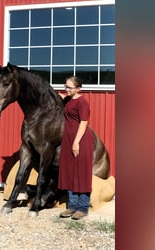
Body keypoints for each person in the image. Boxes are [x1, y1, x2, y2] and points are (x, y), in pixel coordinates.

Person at [58, 76, 93, 220]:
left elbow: (83, 122)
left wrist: (76, 142)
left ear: (78, 88)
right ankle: (72, 206)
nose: (66, 89)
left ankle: (83, 208)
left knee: (82, 173)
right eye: (65, 86)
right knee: (69, 172)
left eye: (70, 87)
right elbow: (59, 96)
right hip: (68, 140)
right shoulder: (68, 99)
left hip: (80, 140)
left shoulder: (82, 102)